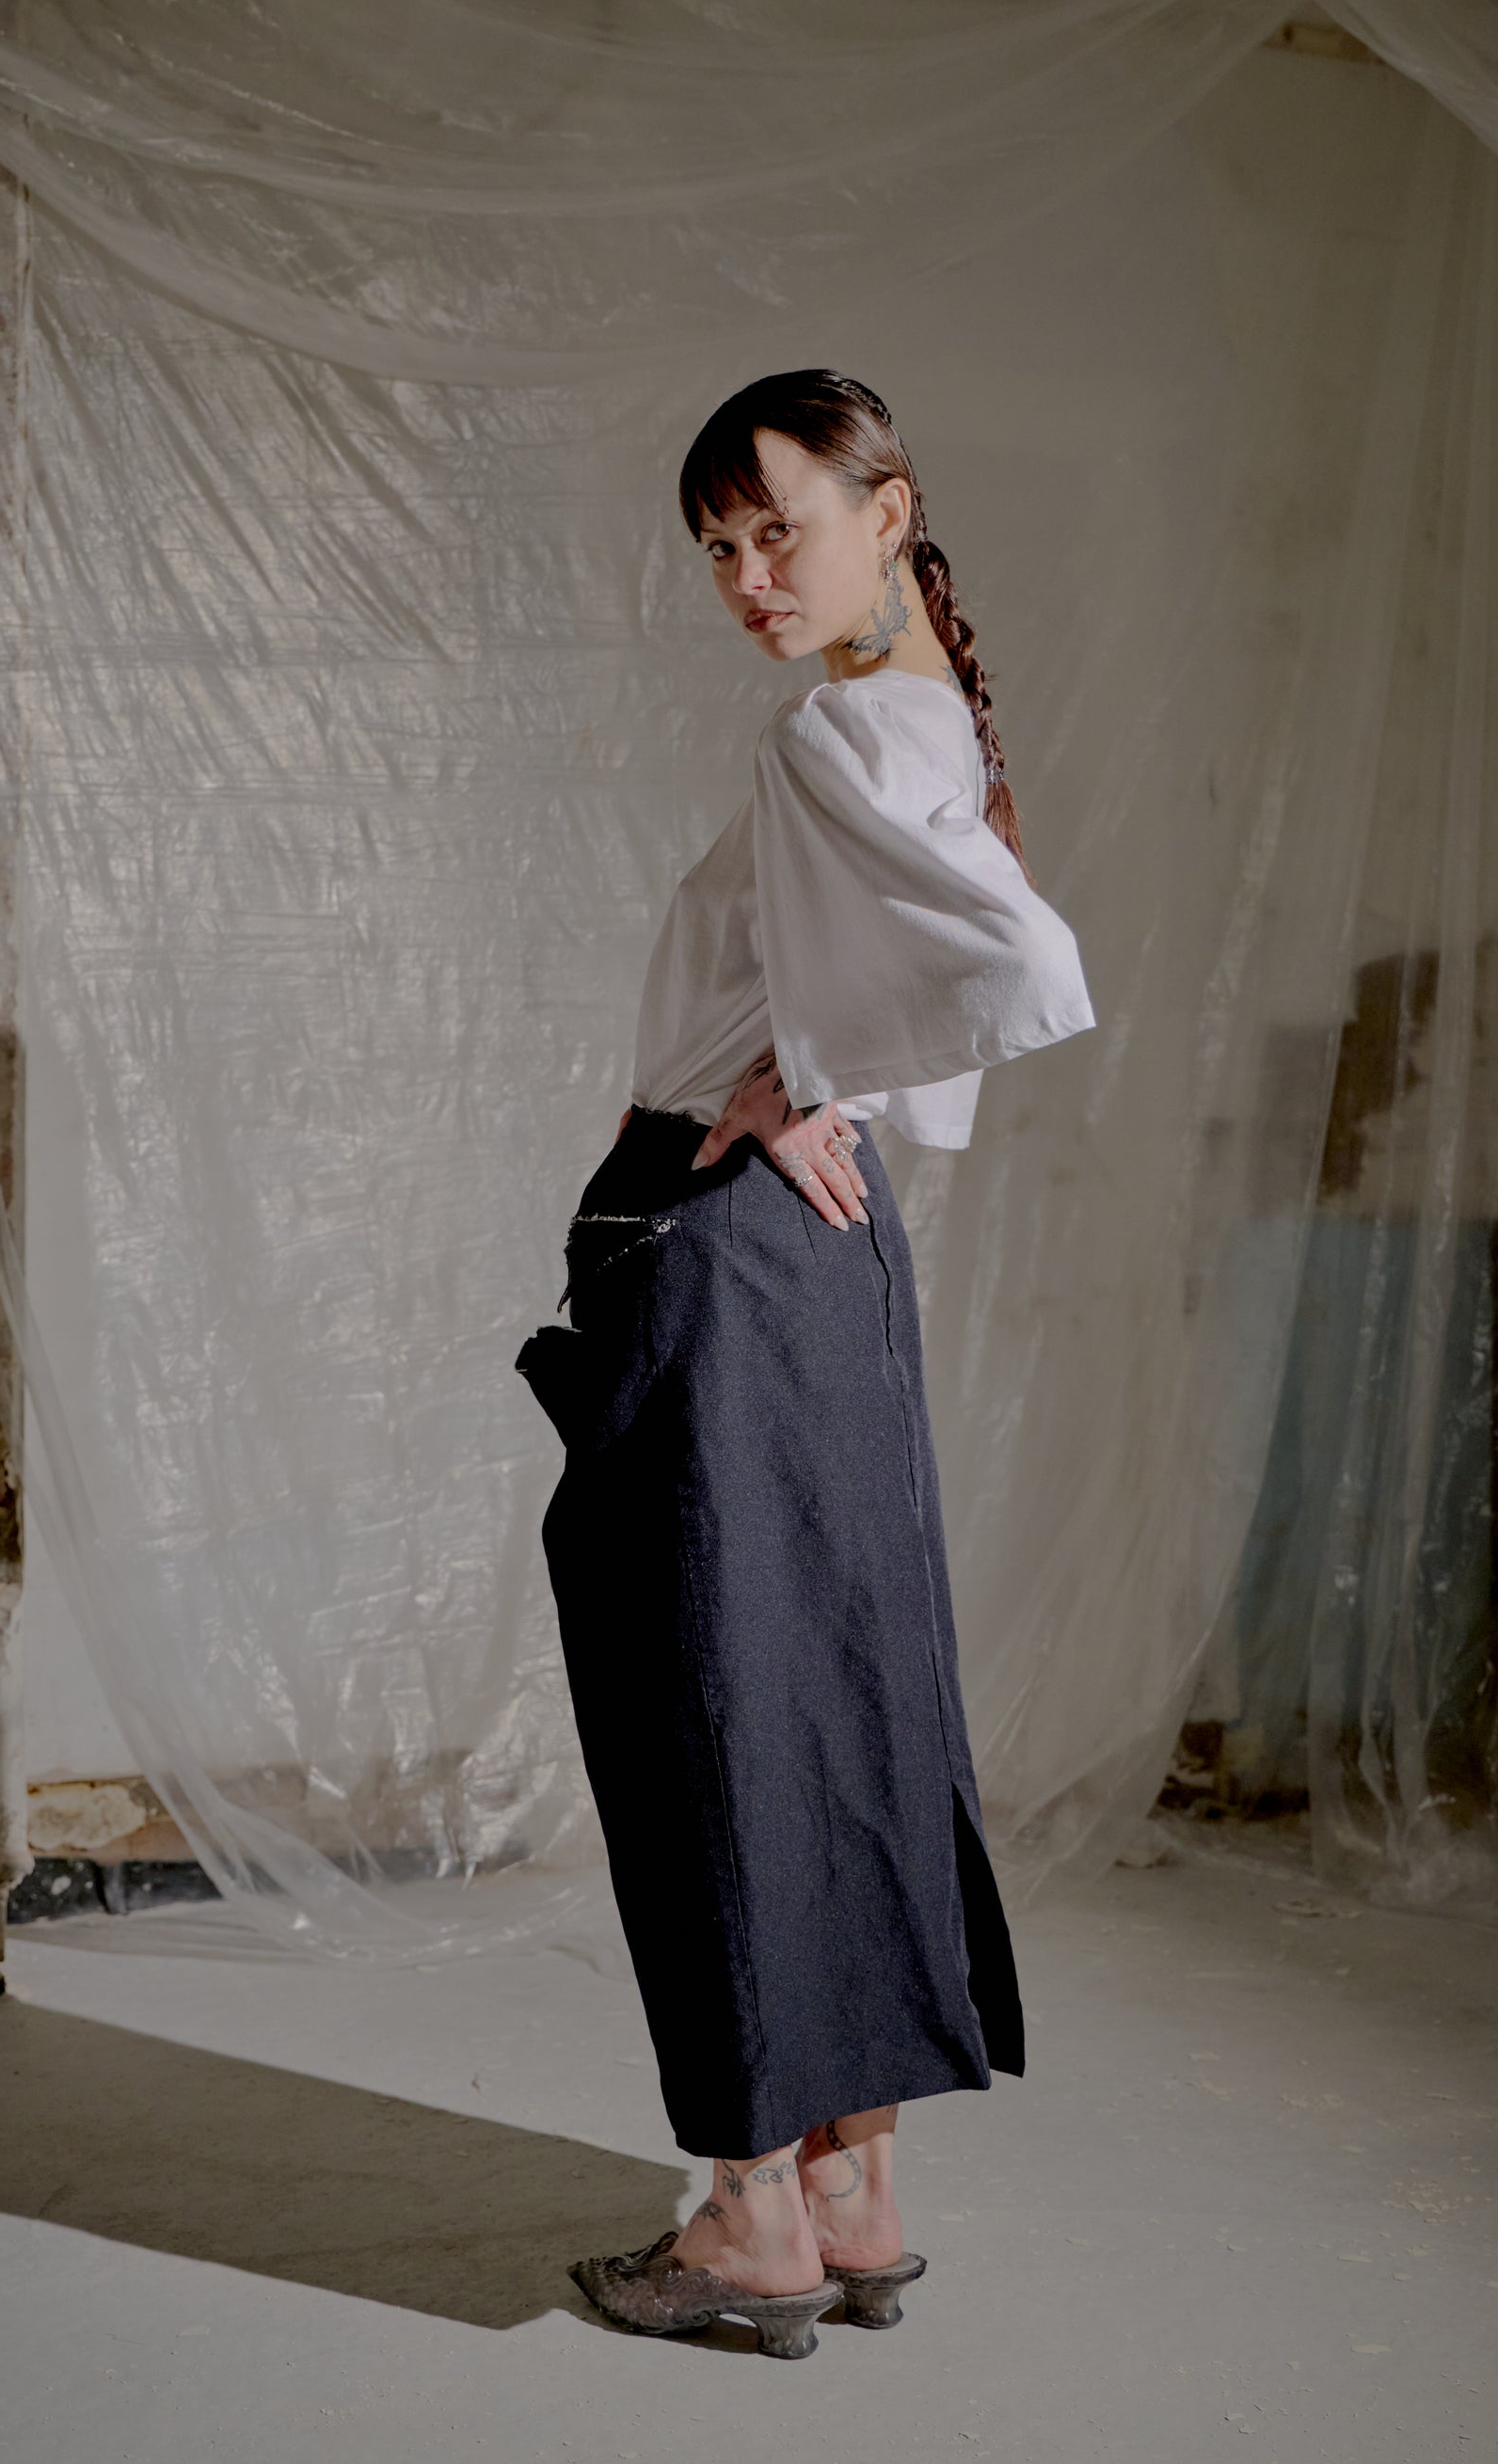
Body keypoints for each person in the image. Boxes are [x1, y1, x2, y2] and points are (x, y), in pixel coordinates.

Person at [516, 369, 1094, 2359]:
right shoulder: (930, 715)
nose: (752, 579)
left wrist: (795, 1081)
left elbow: (1017, 965)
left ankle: (750, 2211)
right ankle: (851, 2179)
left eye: (776, 529)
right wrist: (826, 1076)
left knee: (706, 1711)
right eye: (719, 552)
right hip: (828, 1281)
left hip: (723, 1250)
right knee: (843, 1690)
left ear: (884, 504)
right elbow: (955, 971)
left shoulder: (836, 727)